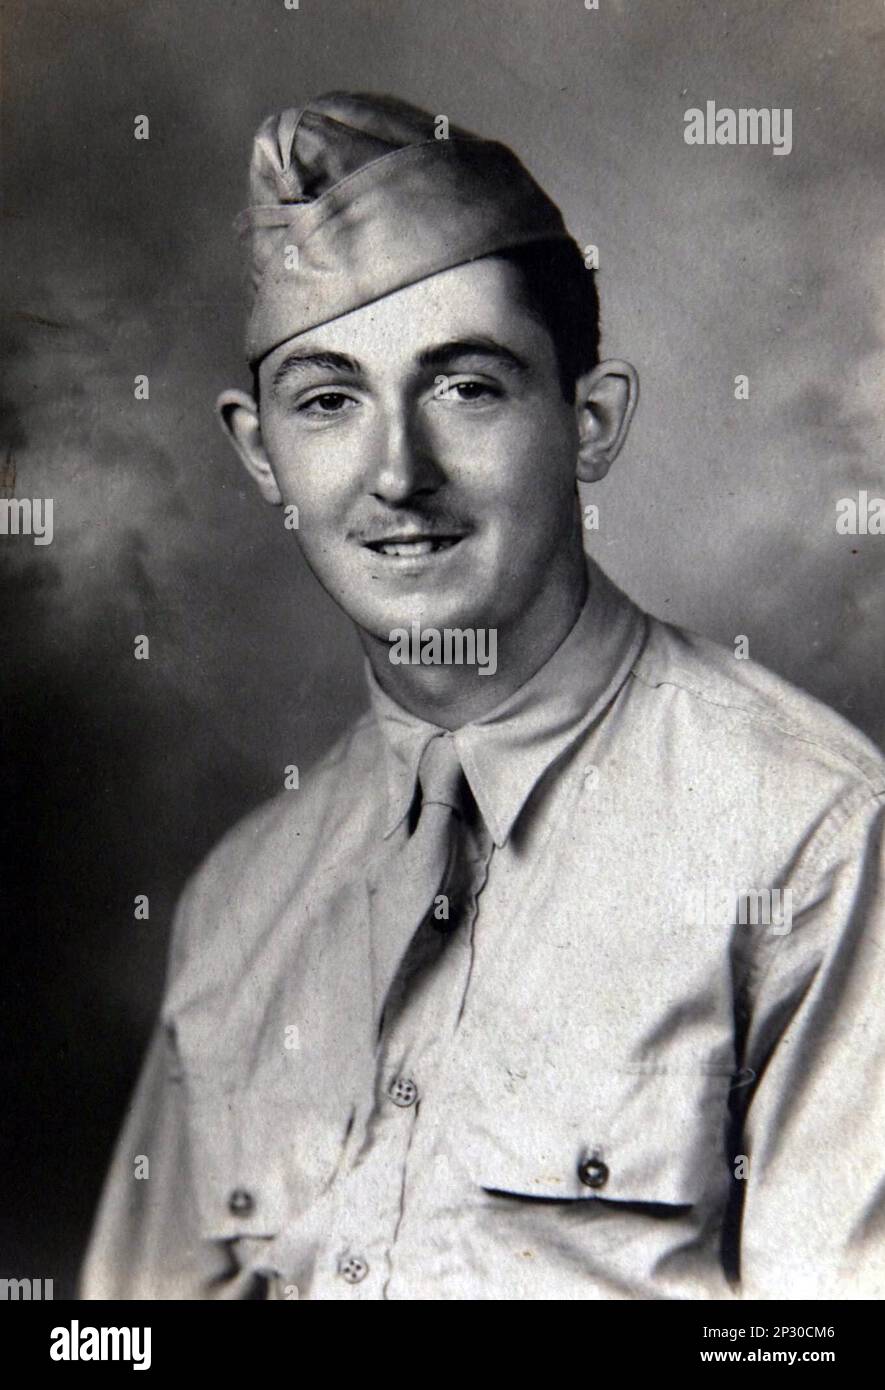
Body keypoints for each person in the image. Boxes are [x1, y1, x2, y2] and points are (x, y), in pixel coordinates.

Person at [81, 93, 885, 1300]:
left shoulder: (815, 842)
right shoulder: (242, 901)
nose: (398, 472)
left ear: (591, 421)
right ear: (261, 455)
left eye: (466, 387)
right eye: (328, 400)